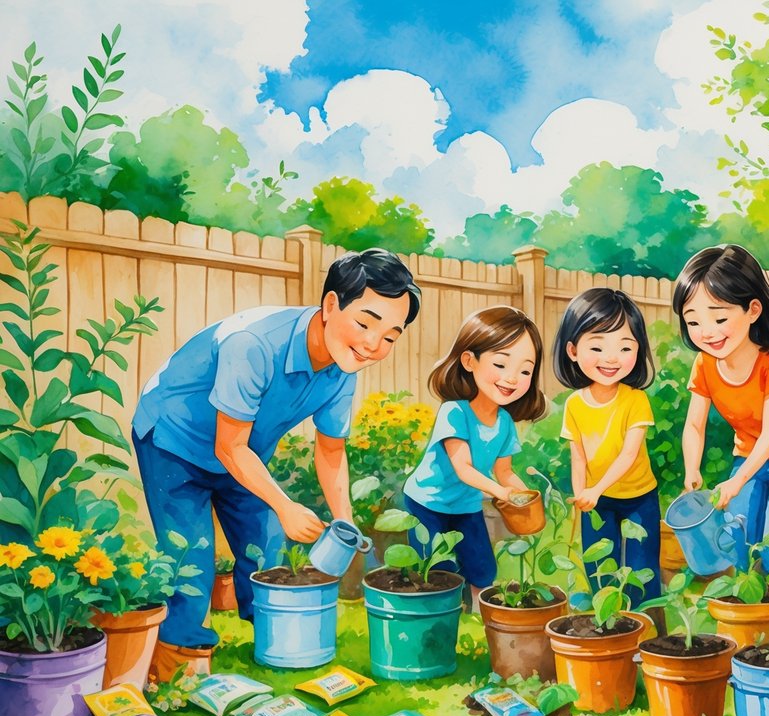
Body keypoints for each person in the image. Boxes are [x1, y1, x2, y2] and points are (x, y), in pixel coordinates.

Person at [132, 248, 421, 680]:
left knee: (263, 544)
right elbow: (229, 448)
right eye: (364, 323)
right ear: (329, 306)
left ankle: (273, 640)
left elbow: (330, 451)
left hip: (243, 451)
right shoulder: (254, 344)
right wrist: (286, 505)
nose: (373, 344)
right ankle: (181, 661)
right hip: (174, 438)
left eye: (391, 336)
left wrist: (345, 520)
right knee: (188, 555)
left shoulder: (343, 368)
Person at [673, 244, 769, 582]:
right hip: (747, 457)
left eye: (719, 317)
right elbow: (694, 424)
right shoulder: (705, 364)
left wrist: (737, 480)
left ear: (753, 310)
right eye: (693, 321)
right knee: (737, 543)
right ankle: (747, 623)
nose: (706, 332)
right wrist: (692, 469)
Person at [401, 307, 546, 605]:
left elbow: (504, 471)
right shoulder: (455, 411)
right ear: (469, 360)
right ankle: (436, 618)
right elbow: (463, 467)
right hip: (428, 501)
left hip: (465, 505)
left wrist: (525, 497)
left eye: (525, 370)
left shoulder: (504, 422)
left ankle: (481, 620)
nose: (512, 378)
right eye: (502, 364)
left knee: (482, 567)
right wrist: (501, 492)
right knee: (436, 568)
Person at [553, 288, 660, 606]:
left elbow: (629, 454)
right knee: (598, 567)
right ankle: (611, 629)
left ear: (638, 350)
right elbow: (578, 456)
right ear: (572, 351)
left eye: (625, 347)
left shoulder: (635, 400)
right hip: (596, 499)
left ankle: (651, 633)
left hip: (638, 497)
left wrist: (596, 489)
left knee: (642, 571)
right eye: (597, 347)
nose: (611, 359)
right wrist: (581, 495)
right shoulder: (574, 404)